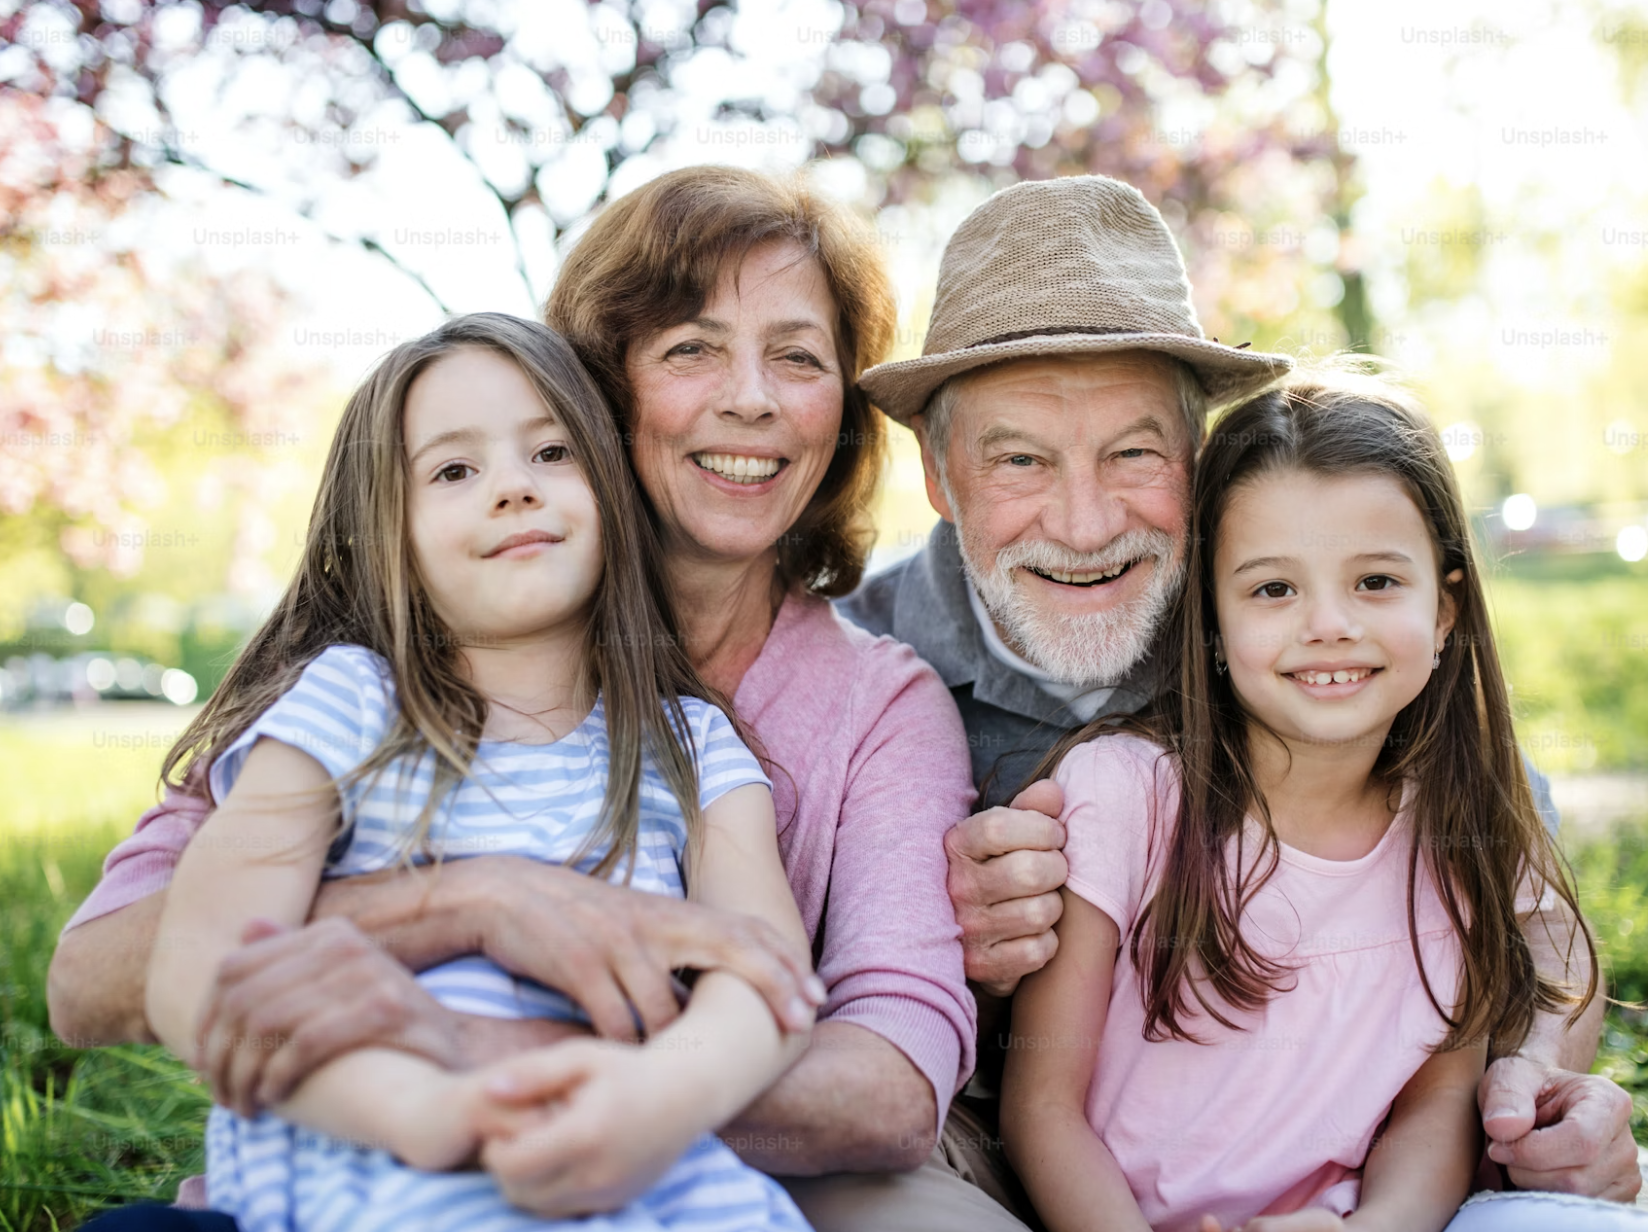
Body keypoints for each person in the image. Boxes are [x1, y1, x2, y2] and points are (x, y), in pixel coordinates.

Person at [52, 167, 987, 1231]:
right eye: (690, 347)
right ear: (605, 393)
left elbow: (865, 1064)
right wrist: (474, 904)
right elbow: (106, 976)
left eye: (799, 356)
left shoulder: (760, 728)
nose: (752, 397)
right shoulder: (354, 688)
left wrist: (530, 1075)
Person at [842, 174, 1640, 1222]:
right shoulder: (858, 672)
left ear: (1198, 456)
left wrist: (1531, 1081)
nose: (1085, 525)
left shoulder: (1274, 612)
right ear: (940, 478)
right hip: (996, 1154)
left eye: (1133, 452)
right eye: (1020, 460)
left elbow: (1520, 907)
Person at [132, 312, 816, 1231]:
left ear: (612, 488)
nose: (512, 490)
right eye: (455, 471)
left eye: (551, 454)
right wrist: (427, 1114)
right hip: (380, 1166)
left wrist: (661, 1101)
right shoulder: (348, 707)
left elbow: (767, 975)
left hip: (641, 1170)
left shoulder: (690, 746)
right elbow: (198, 971)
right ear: (390, 534)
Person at [1001, 367, 1617, 1232]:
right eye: (1273, 589)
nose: (1329, 624)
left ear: (1445, 613)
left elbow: (1433, 1110)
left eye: (1375, 583)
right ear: (1211, 624)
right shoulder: (1126, 794)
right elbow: (1042, 1110)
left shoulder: (1459, 827)